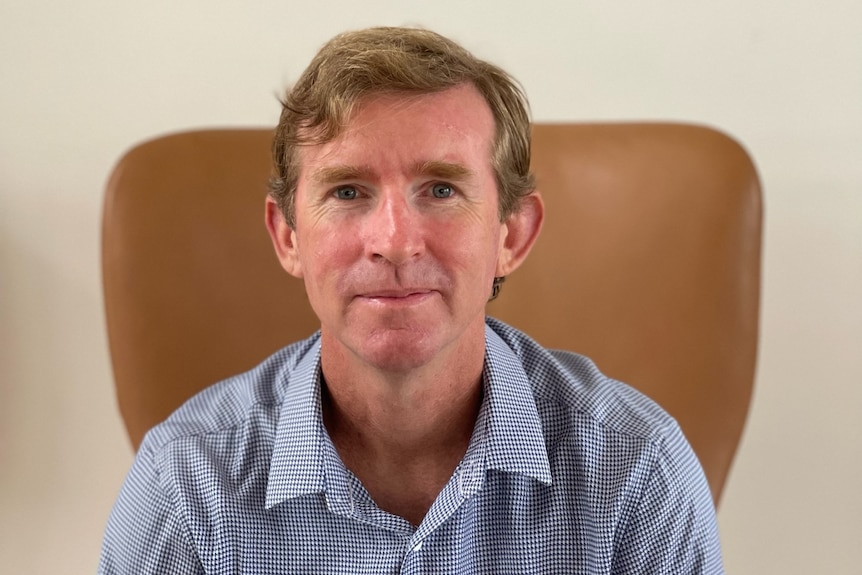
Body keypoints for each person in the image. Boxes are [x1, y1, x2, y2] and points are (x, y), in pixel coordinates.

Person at [98, 26, 724, 574]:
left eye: (441, 189)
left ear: (511, 233)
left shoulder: (640, 473)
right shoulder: (181, 487)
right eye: (346, 191)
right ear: (288, 237)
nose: (394, 242)